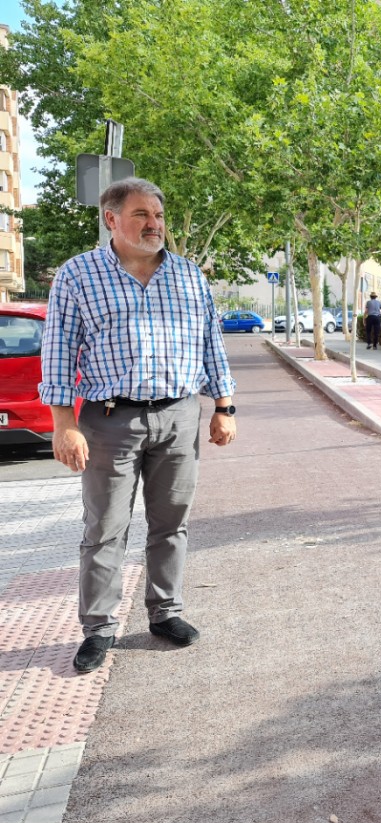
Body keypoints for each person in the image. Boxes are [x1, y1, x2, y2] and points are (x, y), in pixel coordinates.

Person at [39, 177, 238, 674]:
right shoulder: (78, 275)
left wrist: (224, 406)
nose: (154, 225)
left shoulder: (189, 276)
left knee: (171, 523)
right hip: (109, 419)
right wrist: (65, 425)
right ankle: (99, 628)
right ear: (111, 219)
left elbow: (210, 342)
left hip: (178, 416)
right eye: (141, 215)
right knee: (104, 528)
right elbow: (59, 351)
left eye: (159, 216)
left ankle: (165, 614)